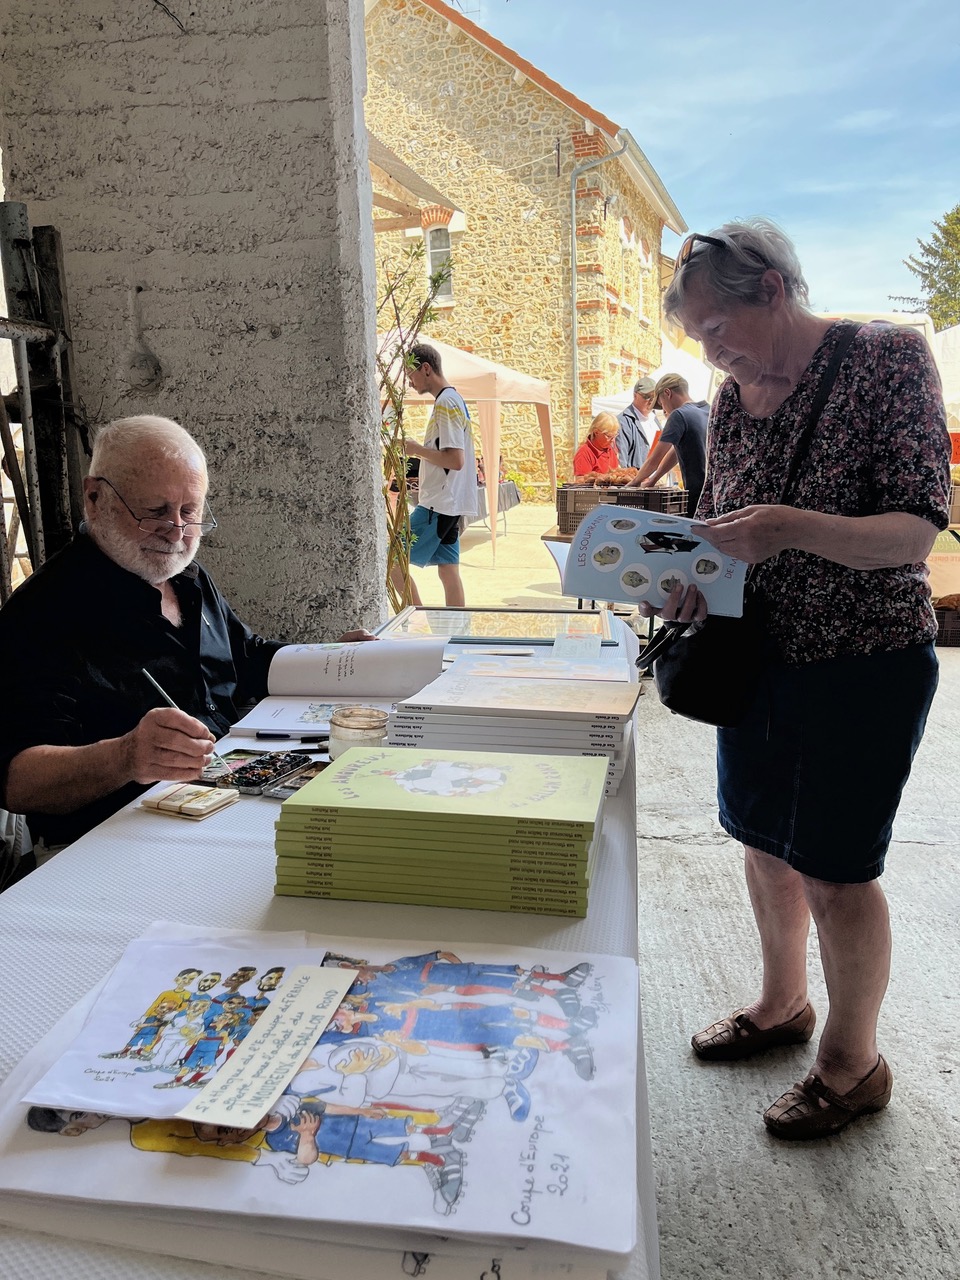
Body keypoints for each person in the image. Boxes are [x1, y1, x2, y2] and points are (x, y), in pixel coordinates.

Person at [639, 219, 950, 1139]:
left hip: (864, 664)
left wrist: (786, 524)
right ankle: (783, 1005)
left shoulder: (888, 360)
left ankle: (855, 1066)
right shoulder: (731, 400)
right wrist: (689, 581)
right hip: (755, 659)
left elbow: (915, 534)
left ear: (773, 289)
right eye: (698, 338)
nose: (711, 350)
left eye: (716, 328)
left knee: (839, 874)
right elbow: (717, 526)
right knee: (762, 843)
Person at [0, 415, 373, 855]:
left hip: (235, 799)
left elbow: (244, 657)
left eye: (189, 512)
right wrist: (125, 757)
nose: (176, 533)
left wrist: (333, 660)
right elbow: (17, 781)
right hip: (115, 844)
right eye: (154, 512)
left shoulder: (187, 579)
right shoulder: (41, 615)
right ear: (95, 498)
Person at [394, 343, 477, 608]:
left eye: (411, 376)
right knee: (448, 571)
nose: (410, 383)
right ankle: (456, 633)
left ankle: (415, 617)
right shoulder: (453, 400)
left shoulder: (446, 403)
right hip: (447, 504)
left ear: (426, 369)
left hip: (438, 505)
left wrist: (416, 449)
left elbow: (455, 460)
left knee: (393, 560)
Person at [627, 373, 708, 516]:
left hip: (697, 495)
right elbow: (676, 452)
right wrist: (653, 480)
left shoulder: (679, 415)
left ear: (667, 393)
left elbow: (655, 459)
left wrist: (633, 483)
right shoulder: (707, 409)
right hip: (715, 492)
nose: (664, 410)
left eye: (662, 403)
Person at [615, 376, 658, 469]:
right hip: (638, 481)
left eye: (654, 396)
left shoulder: (654, 418)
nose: (651, 401)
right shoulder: (624, 421)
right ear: (635, 395)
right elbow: (622, 459)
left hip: (658, 479)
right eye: (647, 397)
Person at [572, 412, 620, 477]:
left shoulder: (611, 449)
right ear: (596, 432)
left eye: (614, 436)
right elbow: (581, 483)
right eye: (609, 436)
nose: (612, 440)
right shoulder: (584, 453)